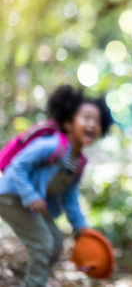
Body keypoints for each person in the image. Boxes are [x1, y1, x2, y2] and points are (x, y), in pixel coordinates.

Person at [0, 84, 112, 287]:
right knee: (42, 243)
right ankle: (35, 283)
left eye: (97, 121)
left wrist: (81, 228)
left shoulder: (79, 163)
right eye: (86, 118)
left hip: (31, 201)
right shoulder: (51, 145)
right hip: (10, 195)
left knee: (56, 244)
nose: (92, 125)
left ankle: (33, 277)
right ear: (68, 123)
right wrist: (30, 196)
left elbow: (70, 197)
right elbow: (17, 167)